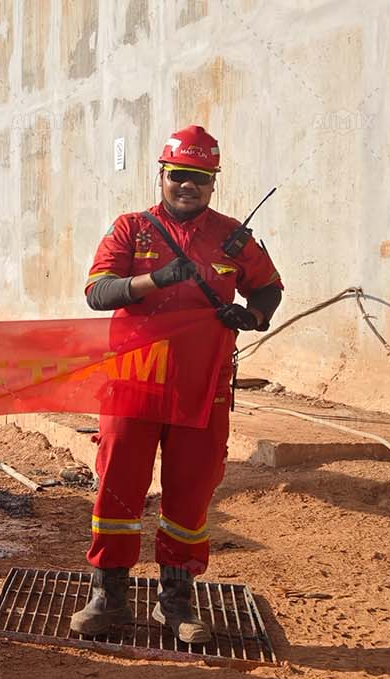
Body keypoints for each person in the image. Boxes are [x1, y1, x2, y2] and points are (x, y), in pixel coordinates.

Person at [72, 125, 283, 643]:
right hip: (133, 383)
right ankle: (109, 595)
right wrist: (155, 281)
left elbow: (270, 288)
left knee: (189, 493)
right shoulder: (130, 229)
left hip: (202, 387)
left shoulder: (234, 237)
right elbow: (98, 293)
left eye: (201, 179)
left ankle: (178, 601)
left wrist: (251, 316)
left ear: (213, 183)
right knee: (118, 490)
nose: (189, 186)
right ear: (162, 175)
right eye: (180, 176)